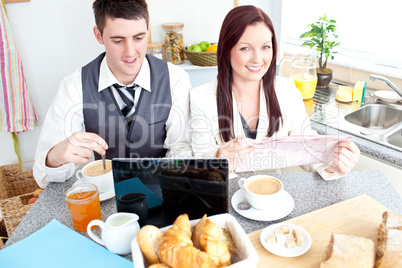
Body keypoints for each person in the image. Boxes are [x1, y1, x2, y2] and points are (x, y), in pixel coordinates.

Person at [33, 0, 192, 188]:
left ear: (148, 30)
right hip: (101, 195)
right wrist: (54, 157)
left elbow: (182, 148)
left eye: (139, 38)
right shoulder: (74, 86)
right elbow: (43, 177)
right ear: (99, 36)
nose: (130, 52)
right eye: (118, 41)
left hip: (161, 190)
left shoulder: (176, 79)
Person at [190, 5, 360, 180]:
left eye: (265, 47)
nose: (258, 58)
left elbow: (305, 144)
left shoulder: (287, 90)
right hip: (225, 195)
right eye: (245, 48)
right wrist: (218, 160)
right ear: (226, 51)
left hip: (273, 195)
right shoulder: (200, 98)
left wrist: (333, 162)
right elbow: (198, 159)